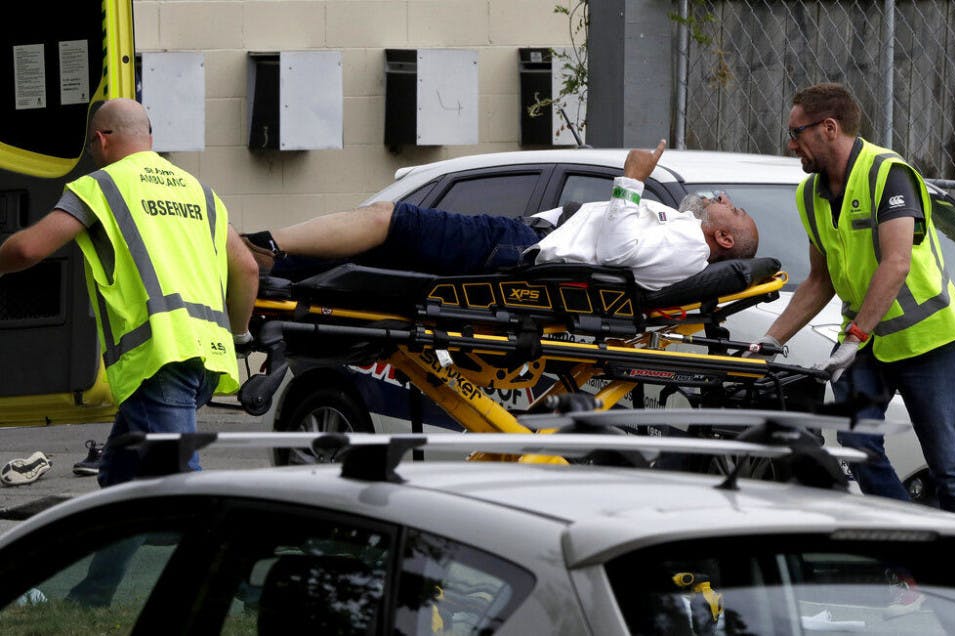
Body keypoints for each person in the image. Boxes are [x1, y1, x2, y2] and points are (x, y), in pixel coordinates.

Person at [0, 98, 259, 487]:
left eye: (90, 144)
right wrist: (239, 336)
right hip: (207, 359)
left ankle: (219, 549)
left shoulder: (101, 186)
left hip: (159, 361)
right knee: (119, 484)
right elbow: (247, 268)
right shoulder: (199, 191)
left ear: (102, 140)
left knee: (182, 489)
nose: (91, 152)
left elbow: (27, 249)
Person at [752, 83, 955, 517]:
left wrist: (854, 338)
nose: (790, 144)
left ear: (829, 128)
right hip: (866, 341)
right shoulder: (810, 193)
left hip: (925, 339)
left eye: (796, 133)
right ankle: (910, 547)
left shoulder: (887, 174)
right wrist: (770, 339)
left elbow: (896, 264)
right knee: (856, 445)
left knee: (947, 462)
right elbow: (820, 281)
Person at [244, 140, 759, 291]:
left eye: (729, 207)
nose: (718, 197)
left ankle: (260, 245)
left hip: (523, 247)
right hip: (526, 239)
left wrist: (631, 178)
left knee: (387, 217)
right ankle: (270, 270)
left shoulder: (691, 244)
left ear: (724, 240)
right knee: (378, 250)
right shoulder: (683, 231)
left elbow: (619, 251)